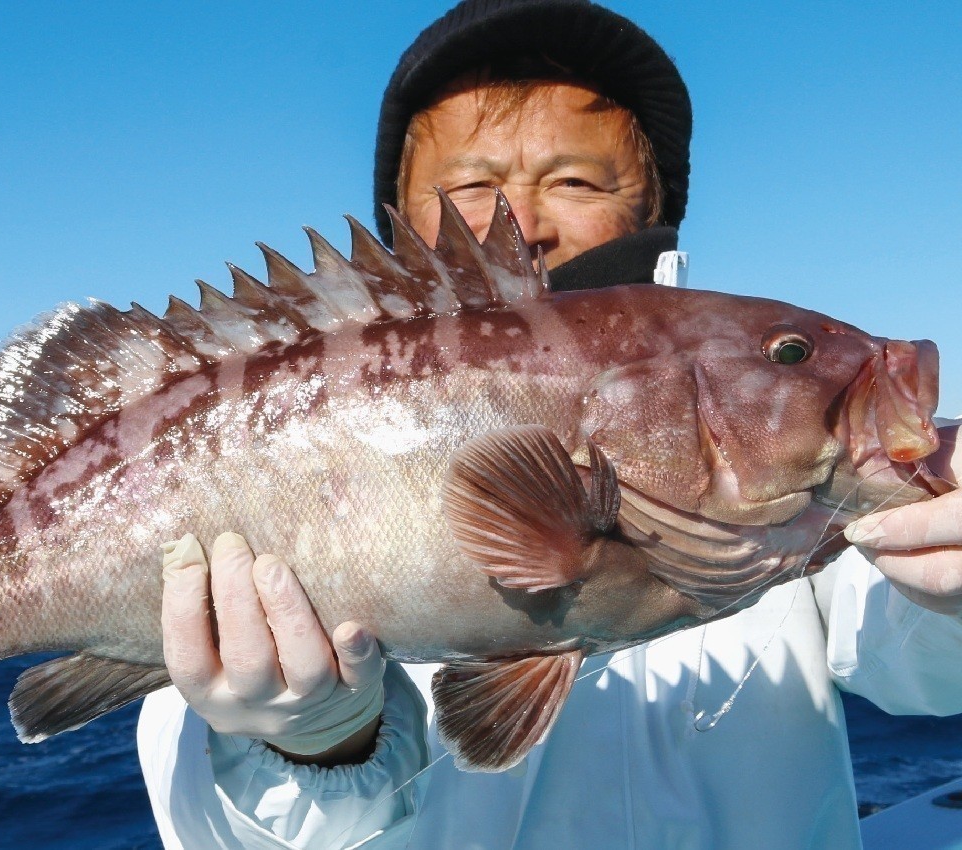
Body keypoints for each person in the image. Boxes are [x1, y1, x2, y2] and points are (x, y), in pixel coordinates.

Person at [138, 1, 962, 847]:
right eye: (467, 187)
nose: (521, 221)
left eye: (574, 181)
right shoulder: (240, 437)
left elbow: (924, 666)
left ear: (653, 210)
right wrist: (315, 744)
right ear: (396, 215)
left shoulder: (785, 465)